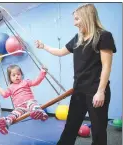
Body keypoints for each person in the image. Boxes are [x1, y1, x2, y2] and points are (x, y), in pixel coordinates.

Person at [35, 3, 116, 145]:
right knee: (71, 126)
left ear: (87, 17)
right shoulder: (77, 38)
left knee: (98, 131)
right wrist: (44, 46)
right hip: (78, 90)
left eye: (77, 19)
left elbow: (107, 66)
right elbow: (60, 52)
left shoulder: (104, 36)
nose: (74, 23)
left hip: (95, 91)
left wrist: (100, 91)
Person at [0, 64, 48, 135]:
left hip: (29, 102)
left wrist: (42, 72)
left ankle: (41, 114)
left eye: (18, 74)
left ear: (21, 75)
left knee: (33, 106)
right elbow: (4, 94)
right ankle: (6, 123)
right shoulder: (10, 87)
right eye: (13, 75)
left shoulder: (25, 82)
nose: (17, 76)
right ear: (10, 78)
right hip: (19, 107)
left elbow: (36, 81)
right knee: (13, 114)